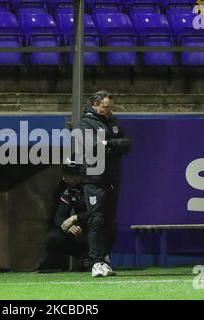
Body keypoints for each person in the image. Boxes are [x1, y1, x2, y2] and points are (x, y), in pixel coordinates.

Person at [77, 90, 133, 277]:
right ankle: (96, 262)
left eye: (111, 107)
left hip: (112, 177)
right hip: (95, 178)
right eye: (105, 107)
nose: (109, 111)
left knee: (110, 222)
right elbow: (94, 148)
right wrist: (114, 146)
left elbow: (128, 144)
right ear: (95, 105)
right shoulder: (86, 123)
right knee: (97, 219)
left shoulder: (114, 122)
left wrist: (108, 143)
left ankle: (104, 257)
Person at [36, 163, 90, 272]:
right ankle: (56, 265)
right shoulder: (69, 191)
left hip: (94, 229)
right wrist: (68, 226)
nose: (64, 178)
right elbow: (59, 216)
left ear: (78, 176)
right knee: (54, 237)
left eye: (67, 175)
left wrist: (75, 218)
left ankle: (90, 259)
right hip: (77, 230)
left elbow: (98, 212)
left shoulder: (91, 188)